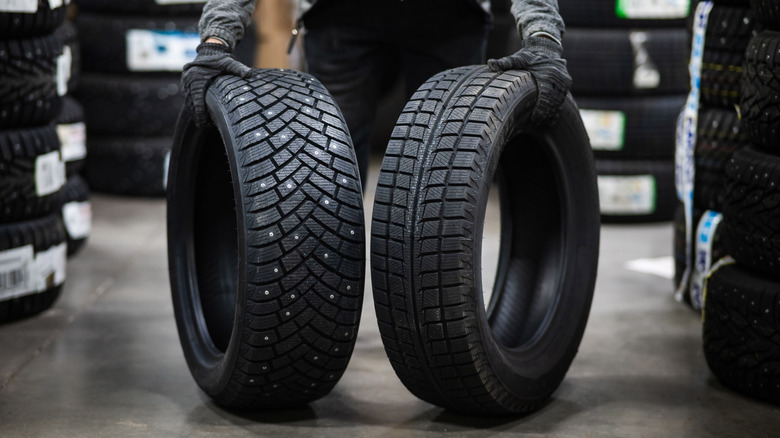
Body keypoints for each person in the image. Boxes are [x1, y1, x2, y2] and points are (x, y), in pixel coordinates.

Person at [182, 0, 572, 186]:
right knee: (324, 173)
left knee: (446, 180)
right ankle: (314, 309)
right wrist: (217, 37)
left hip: (450, 18)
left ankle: (438, 310)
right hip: (342, 17)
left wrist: (541, 35)